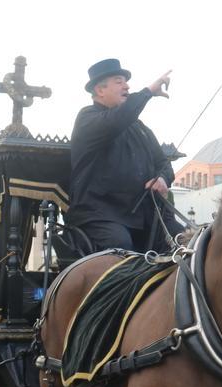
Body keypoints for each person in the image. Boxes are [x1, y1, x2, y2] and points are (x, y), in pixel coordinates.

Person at [68, 58, 182, 253]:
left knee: (186, 241)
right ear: (100, 90)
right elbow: (117, 120)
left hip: (146, 216)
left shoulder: (139, 128)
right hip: (101, 215)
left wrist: (162, 178)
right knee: (121, 247)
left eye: (126, 82)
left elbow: (163, 162)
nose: (127, 86)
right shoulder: (87, 118)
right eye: (119, 81)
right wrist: (148, 92)